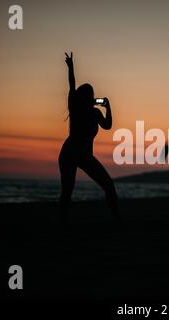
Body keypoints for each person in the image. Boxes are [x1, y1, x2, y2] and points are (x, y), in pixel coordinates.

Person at [58, 52, 119, 223]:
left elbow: (107, 125)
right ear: (89, 97)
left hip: (76, 153)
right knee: (106, 185)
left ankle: (61, 223)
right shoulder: (86, 110)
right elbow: (108, 125)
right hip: (74, 153)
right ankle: (117, 220)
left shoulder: (85, 110)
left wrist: (70, 67)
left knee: (69, 191)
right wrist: (109, 107)